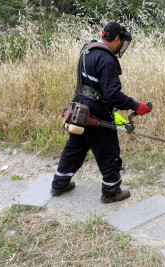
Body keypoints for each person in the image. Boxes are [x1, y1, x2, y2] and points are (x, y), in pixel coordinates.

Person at [51, 22, 151, 203]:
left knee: (75, 147)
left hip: (79, 109)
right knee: (108, 151)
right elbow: (113, 95)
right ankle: (112, 192)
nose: (122, 46)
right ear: (117, 39)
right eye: (122, 42)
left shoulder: (87, 50)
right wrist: (137, 106)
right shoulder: (106, 59)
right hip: (97, 113)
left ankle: (59, 184)